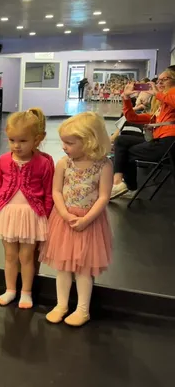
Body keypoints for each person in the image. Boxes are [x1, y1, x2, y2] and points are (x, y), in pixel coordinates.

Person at [40, 112, 113, 327]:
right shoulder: (64, 163)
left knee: (84, 269)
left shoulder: (104, 166)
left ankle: (83, 309)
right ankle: (61, 304)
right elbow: (57, 192)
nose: (64, 147)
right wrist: (64, 214)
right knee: (63, 267)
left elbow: (103, 196)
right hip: (65, 220)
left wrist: (86, 220)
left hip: (90, 223)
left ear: (89, 141)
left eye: (69, 143)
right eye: (63, 142)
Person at [0, 109, 54, 309]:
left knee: (27, 257)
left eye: (22, 141)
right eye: (12, 140)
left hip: (31, 215)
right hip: (8, 213)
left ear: (37, 139)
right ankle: (10, 289)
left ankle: (26, 292)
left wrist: (45, 214)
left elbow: (48, 192)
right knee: (10, 256)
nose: (16, 146)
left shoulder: (44, 163)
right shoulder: (3, 160)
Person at [110, 68, 175, 199]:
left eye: (164, 80)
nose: (159, 83)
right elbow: (131, 118)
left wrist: (157, 93)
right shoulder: (162, 106)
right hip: (157, 141)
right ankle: (119, 183)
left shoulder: (170, 97)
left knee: (126, 152)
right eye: (159, 80)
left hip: (168, 143)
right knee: (121, 141)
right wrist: (126, 97)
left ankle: (127, 186)